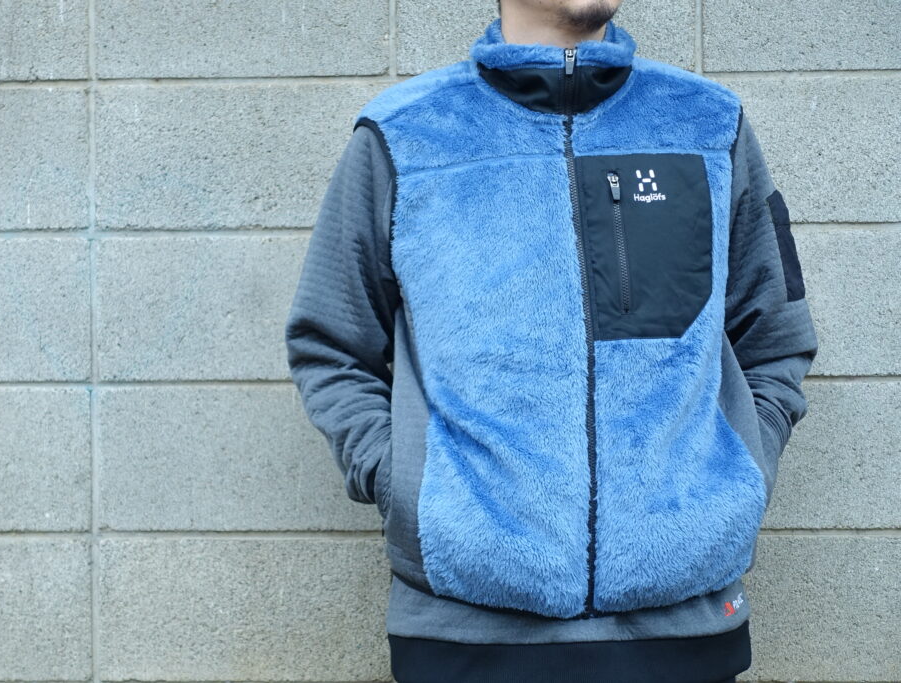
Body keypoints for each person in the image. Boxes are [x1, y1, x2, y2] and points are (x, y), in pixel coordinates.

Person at [284, 0, 819, 681]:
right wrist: (407, 488)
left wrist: (738, 477)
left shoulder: (709, 126)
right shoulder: (404, 135)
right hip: (463, 634)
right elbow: (330, 343)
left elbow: (775, 335)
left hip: (684, 629)